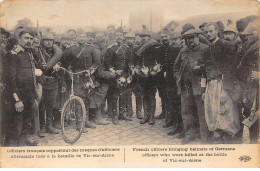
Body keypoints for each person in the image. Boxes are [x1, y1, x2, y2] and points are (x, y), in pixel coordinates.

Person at [62, 33, 110, 132]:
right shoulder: (71, 49)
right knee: (79, 100)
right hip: (77, 78)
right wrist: (70, 71)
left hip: (88, 78)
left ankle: (86, 121)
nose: (82, 38)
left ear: (86, 38)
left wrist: (91, 69)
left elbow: (97, 62)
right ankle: (79, 124)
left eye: (84, 37)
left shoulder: (91, 49)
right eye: (80, 36)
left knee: (87, 99)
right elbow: (65, 62)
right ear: (76, 38)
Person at [203, 22, 241, 144]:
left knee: (227, 112)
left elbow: (232, 67)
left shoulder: (226, 45)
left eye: (211, 31)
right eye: (206, 32)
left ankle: (229, 139)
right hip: (211, 84)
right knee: (214, 112)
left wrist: (227, 86)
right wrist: (204, 88)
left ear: (217, 31)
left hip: (223, 84)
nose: (208, 34)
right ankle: (220, 136)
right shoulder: (207, 49)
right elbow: (206, 70)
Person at [173, 28, 211, 144]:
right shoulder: (184, 50)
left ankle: (204, 136)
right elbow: (175, 65)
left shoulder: (205, 49)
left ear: (197, 37)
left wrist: (201, 68)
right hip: (186, 86)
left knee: (202, 111)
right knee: (187, 111)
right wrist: (178, 76)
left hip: (200, 85)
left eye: (192, 38)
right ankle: (190, 134)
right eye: (188, 39)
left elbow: (210, 67)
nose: (190, 41)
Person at [6, 27, 42, 146]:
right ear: (19, 39)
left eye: (31, 39)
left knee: (26, 124)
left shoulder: (29, 53)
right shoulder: (13, 54)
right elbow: (10, 80)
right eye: (26, 38)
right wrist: (17, 100)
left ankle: (22, 147)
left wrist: (34, 97)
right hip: (17, 97)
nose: (29, 41)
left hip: (29, 96)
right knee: (15, 127)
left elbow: (31, 76)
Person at [104, 29, 133, 124]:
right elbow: (107, 64)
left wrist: (126, 74)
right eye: (117, 35)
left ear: (123, 37)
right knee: (115, 95)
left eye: (121, 35)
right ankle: (114, 115)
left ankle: (122, 113)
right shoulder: (110, 48)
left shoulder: (126, 48)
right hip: (114, 75)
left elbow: (129, 63)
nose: (119, 37)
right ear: (115, 36)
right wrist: (115, 71)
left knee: (123, 94)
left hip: (124, 75)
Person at [155, 28, 182, 132]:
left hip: (177, 78)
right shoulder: (168, 49)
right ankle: (171, 120)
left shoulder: (181, 49)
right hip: (168, 78)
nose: (174, 41)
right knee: (169, 99)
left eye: (176, 39)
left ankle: (177, 124)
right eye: (173, 39)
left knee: (177, 101)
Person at [237, 22, 259, 143]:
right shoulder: (250, 46)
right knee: (253, 114)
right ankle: (253, 142)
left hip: (256, 87)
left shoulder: (256, 48)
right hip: (251, 86)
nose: (247, 37)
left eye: (249, 35)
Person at [133, 29, 160, 125]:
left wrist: (154, 70)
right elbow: (136, 61)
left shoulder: (153, 48)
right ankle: (146, 116)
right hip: (141, 75)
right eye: (142, 36)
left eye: (146, 36)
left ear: (149, 37)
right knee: (144, 95)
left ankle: (152, 116)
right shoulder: (138, 49)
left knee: (151, 95)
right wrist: (137, 68)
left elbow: (158, 61)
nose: (144, 38)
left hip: (152, 75)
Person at [38, 32, 63, 134]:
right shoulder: (38, 51)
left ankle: (50, 125)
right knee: (42, 105)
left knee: (51, 104)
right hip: (42, 81)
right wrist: (40, 65)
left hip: (53, 81)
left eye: (51, 40)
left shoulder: (56, 52)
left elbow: (63, 62)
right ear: (42, 41)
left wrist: (59, 64)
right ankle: (42, 126)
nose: (48, 43)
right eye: (46, 40)